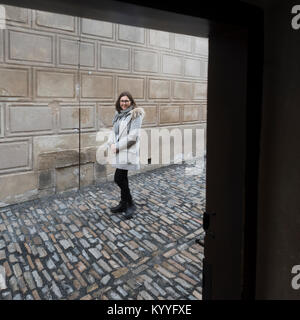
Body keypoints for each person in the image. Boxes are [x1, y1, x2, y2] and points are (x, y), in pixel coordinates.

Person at [107, 91, 145, 219]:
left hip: (127, 151)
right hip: (118, 150)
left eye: (126, 101)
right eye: (122, 101)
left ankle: (130, 204)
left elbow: (133, 137)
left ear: (131, 102)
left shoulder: (136, 114)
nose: (124, 103)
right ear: (119, 102)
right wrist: (111, 143)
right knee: (123, 178)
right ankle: (124, 204)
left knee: (118, 178)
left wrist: (117, 147)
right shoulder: (118, 115)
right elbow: (114, 132)